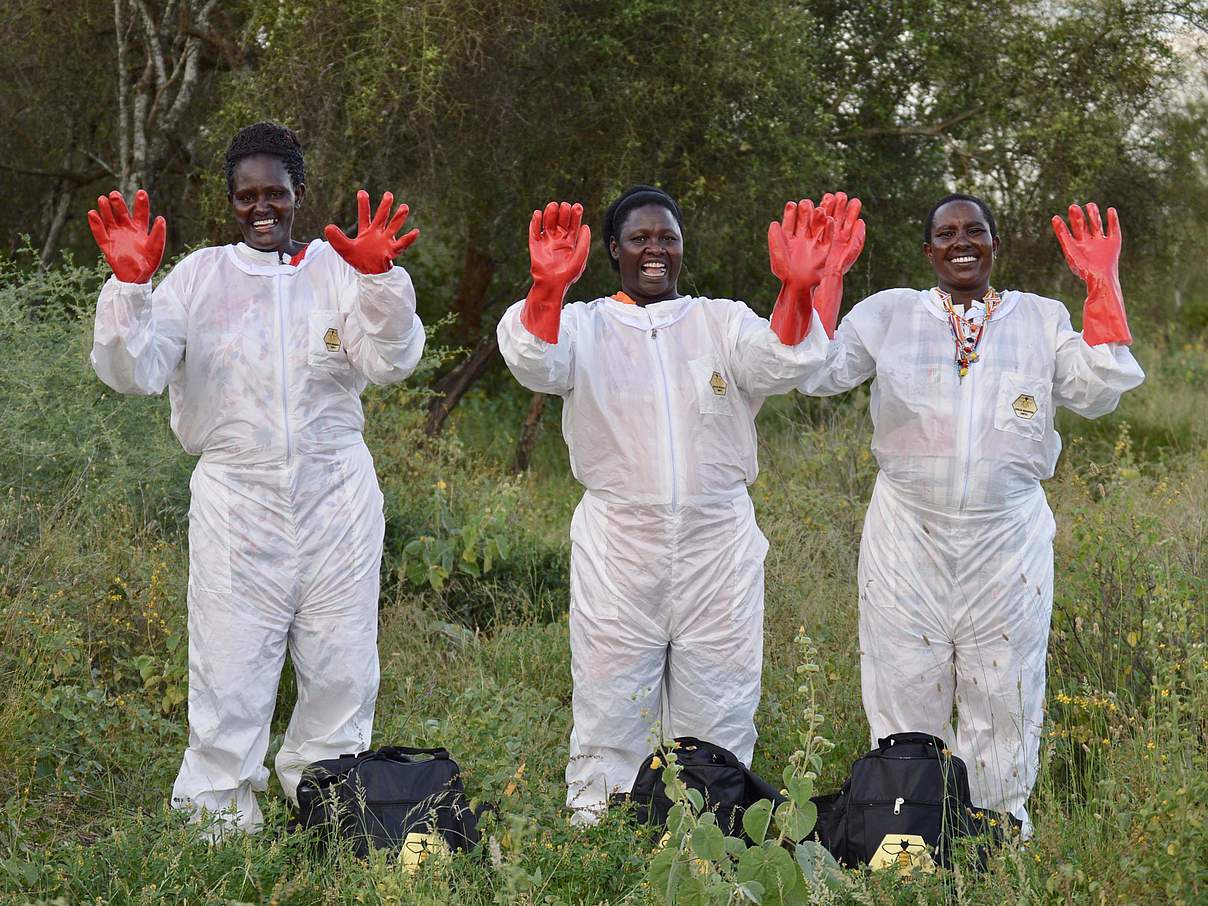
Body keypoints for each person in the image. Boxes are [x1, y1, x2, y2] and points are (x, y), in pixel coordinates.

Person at [88, 122, 426, 834]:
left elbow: (391, 361)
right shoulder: (200, 278)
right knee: (230, 667)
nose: (262, 207)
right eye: (248, 195)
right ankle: (216, 820)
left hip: (338, 498)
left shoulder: (336, 269)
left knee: (341, 666)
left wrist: (378, 279)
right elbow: (134, 372)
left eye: (276, 192)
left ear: (300, 193)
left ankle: (332, 806)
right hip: (237, 503)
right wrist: (129, 288)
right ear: (231, 201)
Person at [496, 185, 864, 821]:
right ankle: (603, 829)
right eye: (639, 238)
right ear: (612, 249)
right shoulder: (584, 324)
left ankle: (710, 830)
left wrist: (801, 289)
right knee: (613, 698)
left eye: (667, 237)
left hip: (717, 542)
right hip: (620, 542)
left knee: (719, 698)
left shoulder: (719, 320)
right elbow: (535, 359)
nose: (655, 249)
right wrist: (547, 287)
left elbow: (781, 362)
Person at [798, 194, 1144, 834]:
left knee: (1005, 690)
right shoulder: (891, 314)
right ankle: (906, 835)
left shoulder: (1040, 319)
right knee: (903, 684)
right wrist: (821, 278)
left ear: (994, 245)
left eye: (976, 231)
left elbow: (1099, 388)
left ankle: (997, 836)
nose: (962, 241)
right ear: (928, 249)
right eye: (946, 232)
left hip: (1007, 537)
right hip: (907, 533)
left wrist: (1103, 280)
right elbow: (816, 372)